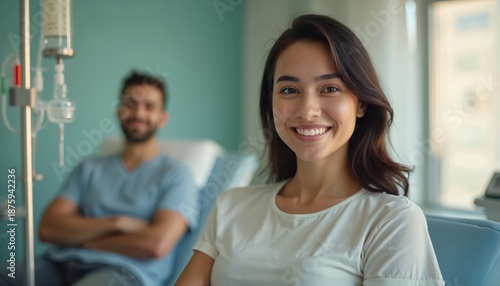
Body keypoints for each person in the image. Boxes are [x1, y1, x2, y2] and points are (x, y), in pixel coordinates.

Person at [176, 14, 444, 286]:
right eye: (290, 90)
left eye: (329, 88)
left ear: (360, 103)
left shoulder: (392, 220)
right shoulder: (231, 206)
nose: (307, 110)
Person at [0, 71, 200, 286]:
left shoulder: (177, 175)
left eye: (149, 106)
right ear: (119, 111)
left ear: (162, 118)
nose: (139, 113)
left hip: (121, 272)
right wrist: (118, 222)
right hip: (57, 262)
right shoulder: (89, 168)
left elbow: (155, 244)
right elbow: (48, 228)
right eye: (131, 104)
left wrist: (85, 239)